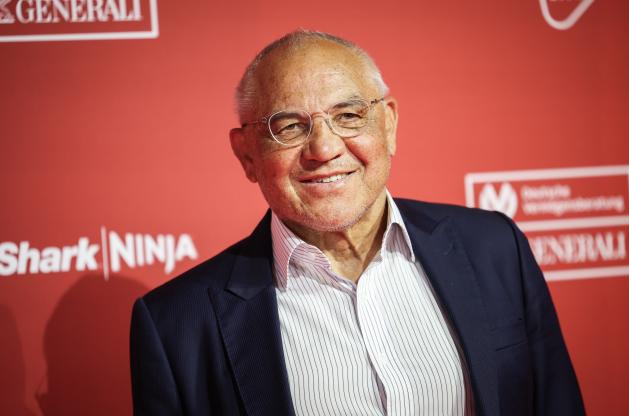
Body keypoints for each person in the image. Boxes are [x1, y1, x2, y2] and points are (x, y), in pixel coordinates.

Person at [130, 30, 585, 416]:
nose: (324, 149)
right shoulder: (178, 325)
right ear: (246, 154)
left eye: (349, 116)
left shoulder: (494, 249)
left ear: (388, 124)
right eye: (289, 126)